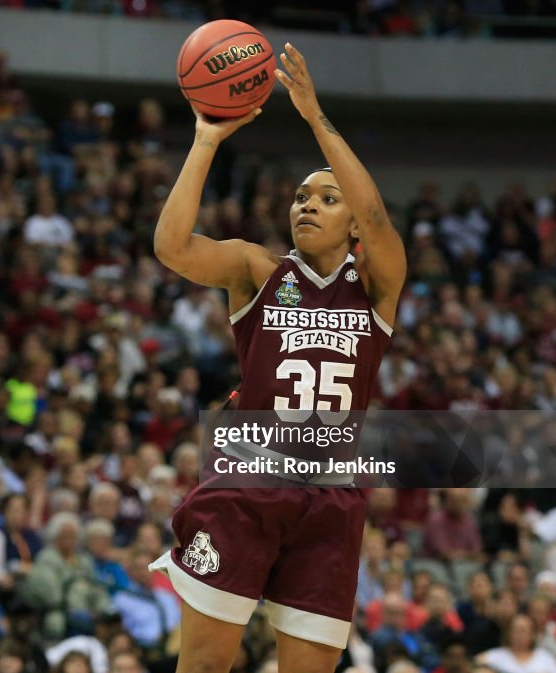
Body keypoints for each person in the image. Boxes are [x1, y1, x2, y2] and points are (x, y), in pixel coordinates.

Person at [149, 43, 406, 673]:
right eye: (299, 196)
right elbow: (171, 247)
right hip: (247, 480)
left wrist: (317, 119)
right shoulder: (257, 269)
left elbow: (374, 211)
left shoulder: (377, 283)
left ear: (351, 226)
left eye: (325, 198)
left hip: (332, 495)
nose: (307, 205)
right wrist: (207, 139)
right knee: (205, 664)